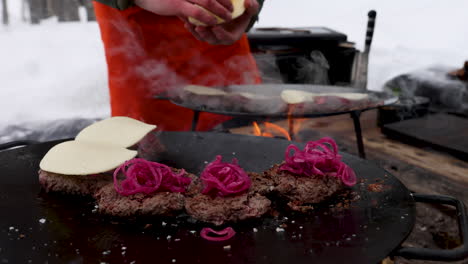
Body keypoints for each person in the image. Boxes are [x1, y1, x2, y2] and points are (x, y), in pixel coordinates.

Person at [92, 0, 265, 131]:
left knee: (245, 146)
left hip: (226, 46)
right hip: (143, 44)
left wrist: (248, 6)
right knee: (152, 162)